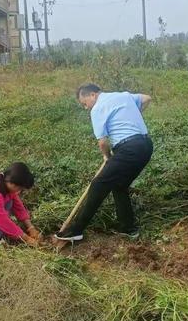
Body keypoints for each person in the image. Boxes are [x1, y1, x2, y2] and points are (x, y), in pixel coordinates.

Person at [55, 83, 153, 242]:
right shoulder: (123, 95)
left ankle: (76, 230)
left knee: (98, 184)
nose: (86, 108)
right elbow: (147, 98)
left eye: (84, 103)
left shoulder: (98, 108)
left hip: (128, 149)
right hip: (146, 146)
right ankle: (129, 229)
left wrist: (107, 157)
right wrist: (136, 114)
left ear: (93, 95)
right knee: (119, 185)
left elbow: (103, 142)